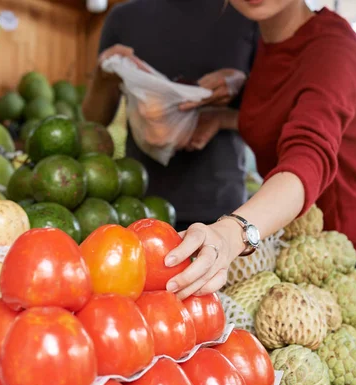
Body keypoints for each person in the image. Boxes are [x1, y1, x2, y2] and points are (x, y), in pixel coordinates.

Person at [165, 0, 356, 306]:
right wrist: (223, 119)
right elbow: (284, 114)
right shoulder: (268, 39)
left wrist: (233, 234)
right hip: (292, 246)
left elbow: (308, 156)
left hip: (347, 258)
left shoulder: (334, 52)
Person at [82, 0, 259, 231]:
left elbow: (272, 115)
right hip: (139, 204)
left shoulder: (248, 15)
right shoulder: (123, 18)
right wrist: (104, 76)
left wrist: (221, 117)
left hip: (223, 209)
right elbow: (95, 119)